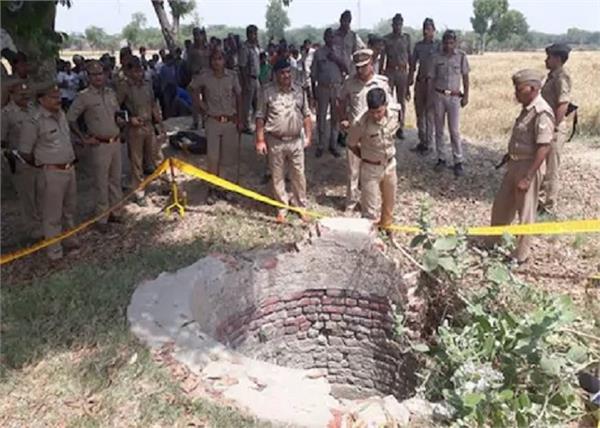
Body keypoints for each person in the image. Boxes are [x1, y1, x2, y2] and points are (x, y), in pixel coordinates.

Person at [490, 69, 554, 264]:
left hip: (528, 167)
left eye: (520, 90)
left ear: (533, 89)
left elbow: (543, 148)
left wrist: (528, 177)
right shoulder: (527, 108)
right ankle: (494, 240)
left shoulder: (541, 112)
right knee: (501, 205)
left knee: (525, 213)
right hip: (514, 164)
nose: (516, 94)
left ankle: (521, 254)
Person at [19, 82, 79, 260]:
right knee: (52, 214)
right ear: (41, 99)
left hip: (69, 169)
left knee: (69, 210)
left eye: (59, 96)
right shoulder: (34, 120)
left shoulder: (61, 114)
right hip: (50, 173)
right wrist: (43, 164)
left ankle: (70, 242)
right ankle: (55, 252)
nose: (58, 100)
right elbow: (25, 152)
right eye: (53, 97)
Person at [67, 60, 123, 232]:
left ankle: (116, 212)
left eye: (100, 73)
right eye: (94, 74)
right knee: (101, 182)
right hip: (99, 145)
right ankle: (102, 218)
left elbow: (117, 114)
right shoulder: (84, 96)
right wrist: (83, 138)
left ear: (105, 75)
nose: (98, 77)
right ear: (88, 77)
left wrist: (122, 122)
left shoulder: (110, 93)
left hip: (115, 141)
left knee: (115, 180)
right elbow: (70, 118)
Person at [255, 58, 312, 223]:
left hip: (296, 140)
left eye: (288, 72)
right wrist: (260, 140)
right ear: (275, 75)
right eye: (282, 73)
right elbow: (260, 117)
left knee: (299, 174)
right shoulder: (267, 92)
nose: (286, 76)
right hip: (275, 141)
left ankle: (300, 205)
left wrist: (308, 136)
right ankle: (282, 207)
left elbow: (307, 114)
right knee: (277, 175)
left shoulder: (299, 90)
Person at [338, 49, 392, 213]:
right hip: (356, 132)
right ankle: (351, 203)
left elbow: (388, 107)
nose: (360, 70)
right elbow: (340, 101)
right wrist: (343, 119)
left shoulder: (381, 83)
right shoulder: (350, 83)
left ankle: (373, 203)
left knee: (375, 170)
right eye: (358, 67)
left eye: (364, 66)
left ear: (371, 64)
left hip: (375, 135)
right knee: (353, 170)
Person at [189, 49, 242, 203]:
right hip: (212, 121)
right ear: (210, 61)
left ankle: (223, 188)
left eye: (219, 59)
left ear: (224, 60)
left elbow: (239, 95)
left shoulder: (232, 76)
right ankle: (212, 188)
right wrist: (201, 106)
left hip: (230, 121)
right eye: (214, 59)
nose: (216, 62)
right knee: (213, 157)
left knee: (227, 157)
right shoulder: (205, 76)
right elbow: (192, 88)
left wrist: (240, 118)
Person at [348, 87, 399, 237]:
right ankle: (369, 239)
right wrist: (365, 157)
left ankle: (386, 227)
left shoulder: (394, 115)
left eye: (379, 111)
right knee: (370, 210)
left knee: (389, 202)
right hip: (370, 169)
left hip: (390, 165)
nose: (376, 115)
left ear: (385, 105)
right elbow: (351, 143)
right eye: (373, 112)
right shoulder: (360, 123)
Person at [118, 56, 165, 206]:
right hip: (134, 129)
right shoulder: (124, 87)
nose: (139, 73)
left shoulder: (147, 85)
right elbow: (116, 109)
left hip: (149, 126)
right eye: (136, 70)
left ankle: (164, 184)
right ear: (129, 71)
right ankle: (139, 191)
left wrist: (160, 124)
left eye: (141, 69)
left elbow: (153, 105)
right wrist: (128, 120)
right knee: (136, 162)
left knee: (156, 155)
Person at [1, 77, 41, 239]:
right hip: (21, 163)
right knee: (28, 197)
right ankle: (33, 230)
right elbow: (2, 142)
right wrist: (10, 157)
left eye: (26, 92)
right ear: (11, 94)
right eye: (20, 93)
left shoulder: (34, 109)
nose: (25, 96)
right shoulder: (6, 114)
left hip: (39, 159)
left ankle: (45, 224)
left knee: (42, 193)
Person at [428, 30, 470, 177]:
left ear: (455, 43)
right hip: (439, 95)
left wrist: (466, 96)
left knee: (454, 130)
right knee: (439, 129)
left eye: (451, 42)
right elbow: (431, 78)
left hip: (454, 97)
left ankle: (458, 160)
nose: (448, 45)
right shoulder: (436, 57)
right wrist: (430, 97)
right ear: (443, 42)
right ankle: (441, 158)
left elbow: (465, 77)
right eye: (446, 42)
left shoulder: (461, 57)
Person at [540, 43, 572, 214]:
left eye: (549, 57)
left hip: (555, 129)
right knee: (544, 166)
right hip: (548, 126)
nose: (546, 60)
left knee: (552, 169)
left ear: (558, 59)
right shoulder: (552, 75)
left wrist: (553, 127)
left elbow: (563, 103)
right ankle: (541, 199)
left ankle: (549, 206)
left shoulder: (561, 77)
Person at [311, 28, 345, 158]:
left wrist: (336, 59)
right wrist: (313, 93)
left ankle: (333, 144)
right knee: (321, 117)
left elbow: (346, 68)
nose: (330, 39)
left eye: (332, 37)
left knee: (335, 118)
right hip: (323, 88)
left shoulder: (339, 52)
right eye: (328, 37)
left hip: (336, 88)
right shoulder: (318, 53)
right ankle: (321, 144)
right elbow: (313, 75)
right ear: (324, 38)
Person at [409, 18, 439, 154]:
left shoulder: (438, 46)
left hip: (432, 83)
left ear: (434, 30)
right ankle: (422, 141)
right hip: (420, 82)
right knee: (419, 112)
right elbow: (413, 64)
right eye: (425, 28)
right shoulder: (418, 46)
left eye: (430, 28)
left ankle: (429, 144)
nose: (427, 31)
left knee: (429, 114)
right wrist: (410, 79)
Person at [382, 13, 411, 139]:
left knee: (401, 101)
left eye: (400, 24)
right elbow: (383, 57)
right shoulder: (386, 39)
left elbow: (410, 57)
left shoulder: (406, 38)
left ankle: (401, 127)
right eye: (395, 24)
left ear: (402, 24)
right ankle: (386, 125)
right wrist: (379, 75)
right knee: (387, 100)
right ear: (392, 25)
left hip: (402, 72)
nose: (397, 26)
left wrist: (410, 77)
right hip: (390, 71)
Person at [187, 27, 211, 129]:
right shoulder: (191, 49)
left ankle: (206, 121)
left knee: (207, 99)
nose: (197, 37)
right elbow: (188, 64)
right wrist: (194, 70)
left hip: (207, 76)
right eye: (195, 35)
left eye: (199, 35)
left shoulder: (207, 48)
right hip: (196, 76)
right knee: (195, 101)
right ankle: (195, 122)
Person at [239, 25, 261, 134]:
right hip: (248, 78)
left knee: (258, 103)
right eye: (253, 33)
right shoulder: (245, 48)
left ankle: (255, 123)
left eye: (256, 33)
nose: (255, 36)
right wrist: (245, 81)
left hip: (256, 78)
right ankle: (245, 125)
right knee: (247, 104)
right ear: (248, 34)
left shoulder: (256, 47)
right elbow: (242, 66)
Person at [333, 10, 365, 76]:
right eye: (344, 21)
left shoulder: (352, 36)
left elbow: (355, 52)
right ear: (340, 21)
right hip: (335, 68)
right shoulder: (333, 35)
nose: (345, 23)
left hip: (348, 69)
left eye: (348, 21)